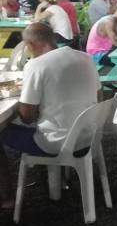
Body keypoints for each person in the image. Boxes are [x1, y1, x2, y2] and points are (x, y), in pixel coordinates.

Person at [0, 23, 100, 209]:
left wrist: (25, 104)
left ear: (29, 44)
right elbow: (97, 93)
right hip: (88, 136)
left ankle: (6, 197)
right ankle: (53, 178)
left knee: (2, 128)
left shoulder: (36, 65)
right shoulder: (85, 57)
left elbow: (27, 117)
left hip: (55, 143)